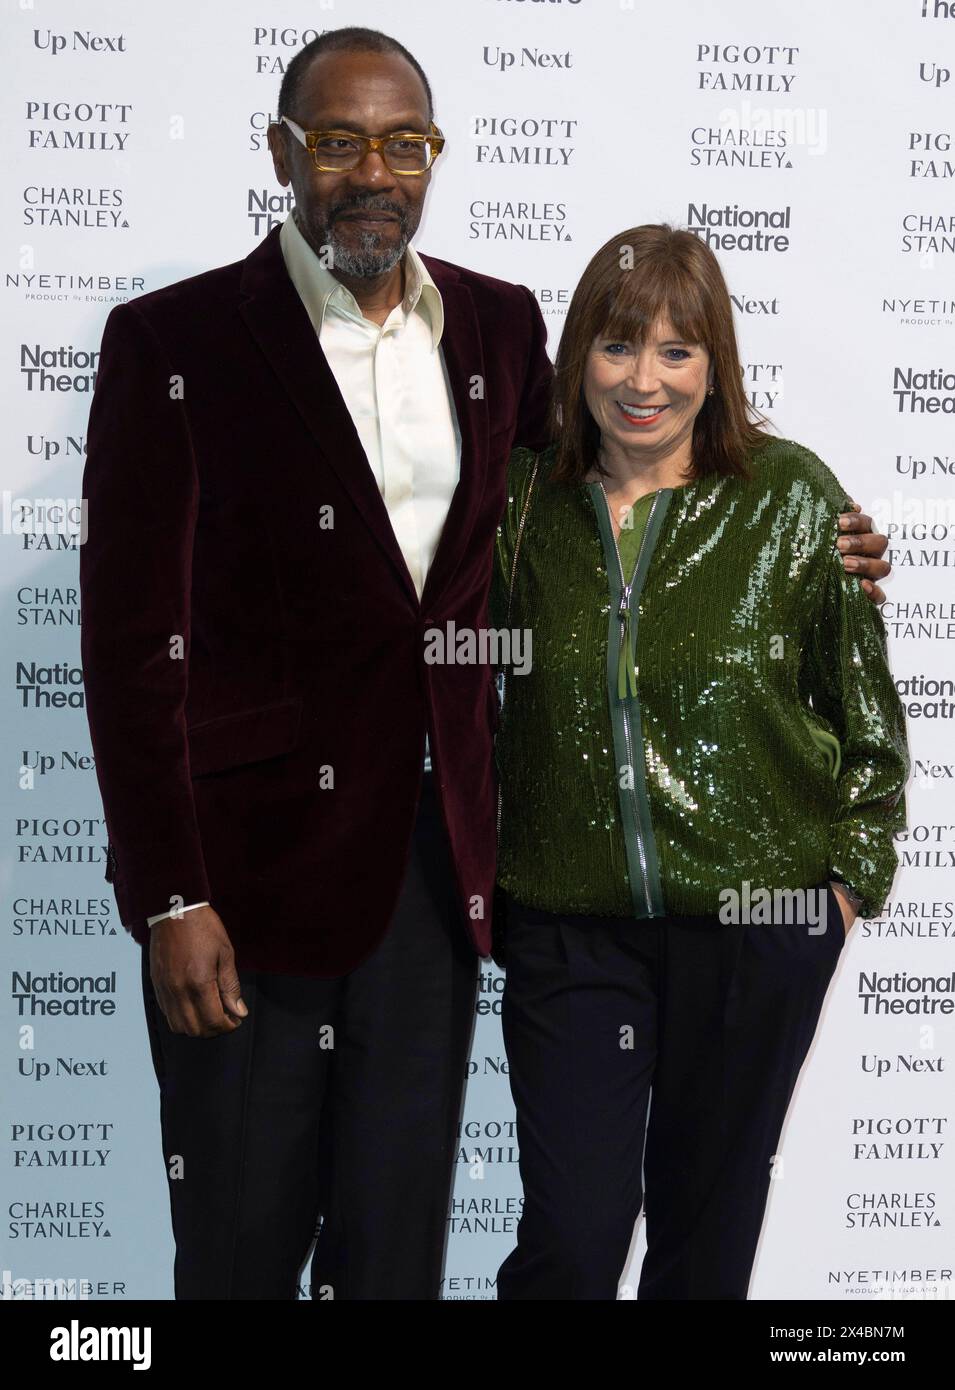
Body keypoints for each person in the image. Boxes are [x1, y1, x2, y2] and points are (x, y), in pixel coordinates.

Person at [79, 26, 891, 1300]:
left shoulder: (498, 330)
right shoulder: (172, 343)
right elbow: (131, 648)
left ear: (435, 157)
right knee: (236, 1248)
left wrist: (813, 526)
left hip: (435, 879)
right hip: (247, 881)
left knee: (395, 1254)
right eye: (339, 140)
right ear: (284, 151)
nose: (373, 171)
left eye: (405, 142)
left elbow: (628, 467)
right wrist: (171, 895)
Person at [490, 224, 910, 1301]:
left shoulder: (790, 497)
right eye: (618, 346)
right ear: (577, 352)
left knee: (704, 1240)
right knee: (572, 1240)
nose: (644, 381)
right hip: (568, 927)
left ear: (715, 366)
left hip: (755, 925)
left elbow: (866, 711)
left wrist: (844, 890)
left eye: (678, 352)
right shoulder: (520, 503)